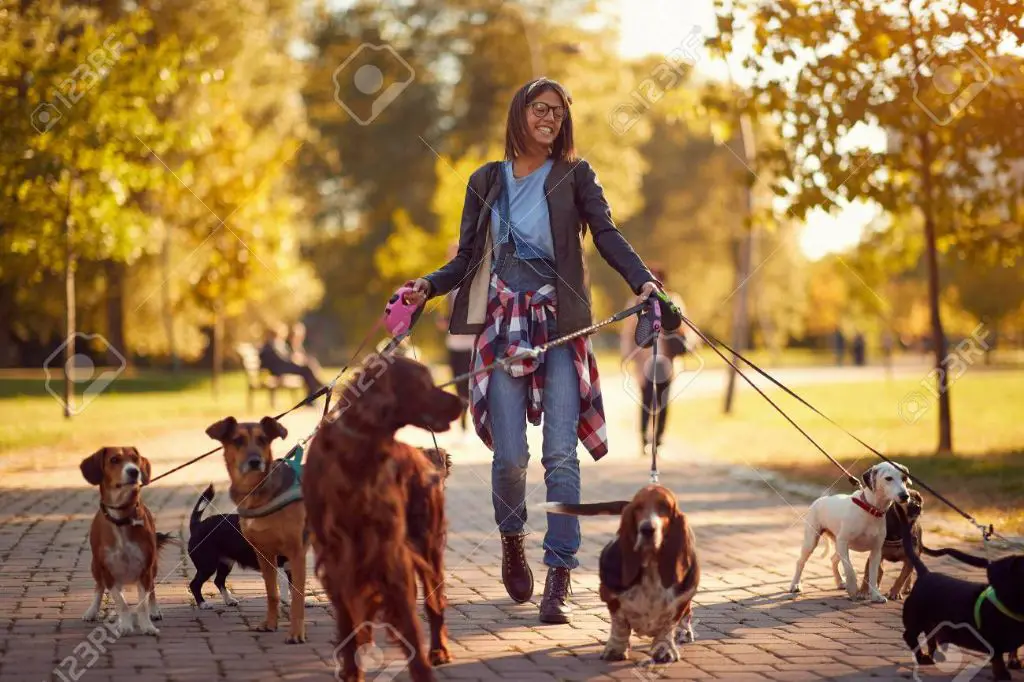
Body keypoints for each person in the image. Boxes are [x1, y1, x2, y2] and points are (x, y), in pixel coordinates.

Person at [406, 77, 662, 625]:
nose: (549, 118)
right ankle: (512, 539)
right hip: (501, 327)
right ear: (518, 114)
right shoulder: (484, 181)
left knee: (560, 456)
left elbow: (608, 234)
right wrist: (426, 285)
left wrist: (643, 283)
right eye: (539, 109)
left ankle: (559, 574)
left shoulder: (575, 176)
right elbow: (466, 260)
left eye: (558, 112)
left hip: (559, 324)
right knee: (510, 458)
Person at [619, 265, 691, 456]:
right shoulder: (636, 302)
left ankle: (658, 442)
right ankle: (643, 440)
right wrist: (627, 358)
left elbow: (685, 330)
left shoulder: (673, 300)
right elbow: (627, 334)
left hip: (667, 361)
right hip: (645, 362)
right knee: (646, 401)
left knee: (664, 402)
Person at [438, 246, 476, 437]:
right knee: (457, 381)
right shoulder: (450, 286)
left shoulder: (473, 281)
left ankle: (469, 417)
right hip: (453, 341)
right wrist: (444, 320)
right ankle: (463, 415)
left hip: (470, 342)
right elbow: (448, 313)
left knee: (469, 381)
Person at [258, 323, 323, 396]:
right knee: (306, 368)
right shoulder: (271, 345)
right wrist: (292, 360)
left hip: (282, 368)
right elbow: (279, 360)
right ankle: (317, 388)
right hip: (278, 370)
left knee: (308, 366)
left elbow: (286, 357)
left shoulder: (278, 344)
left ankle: (316, 387)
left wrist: (293, 359)